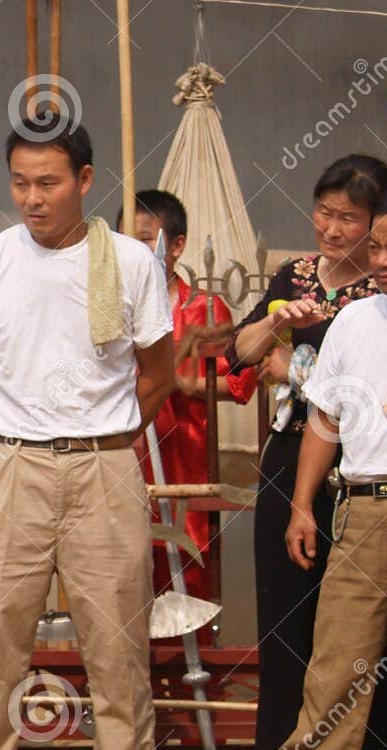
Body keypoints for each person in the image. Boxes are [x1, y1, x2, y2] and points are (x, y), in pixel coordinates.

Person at [0, 117, 181, 750]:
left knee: (118, 648)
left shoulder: (130, 263)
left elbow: (158, 371)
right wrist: (16, 436)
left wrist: (107, 441)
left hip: (104, 465)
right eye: (21, 183)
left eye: (49, 183)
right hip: (10, 466)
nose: (32, 199)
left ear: (85, 181)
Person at [217, 154, 387, 750]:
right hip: (303, 456)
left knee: (364, 639)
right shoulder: (297, 279)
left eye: (351, 217)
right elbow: (245, 353)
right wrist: (277, 328)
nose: (334, 228)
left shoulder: (374, 299)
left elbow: (307, 374)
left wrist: (294, 362)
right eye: (325, 212)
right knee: (292, 630)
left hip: (367, 460)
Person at [128, 188, 234, 599]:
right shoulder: (112, 307)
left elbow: (238, 383)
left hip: (185, 466)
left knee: (189, 587)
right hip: (127, 466)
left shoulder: (204, 309)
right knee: (127, 591)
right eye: (125, 240)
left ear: (177, 246)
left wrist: (183, 382)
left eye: (143, 239)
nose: (134, 252)